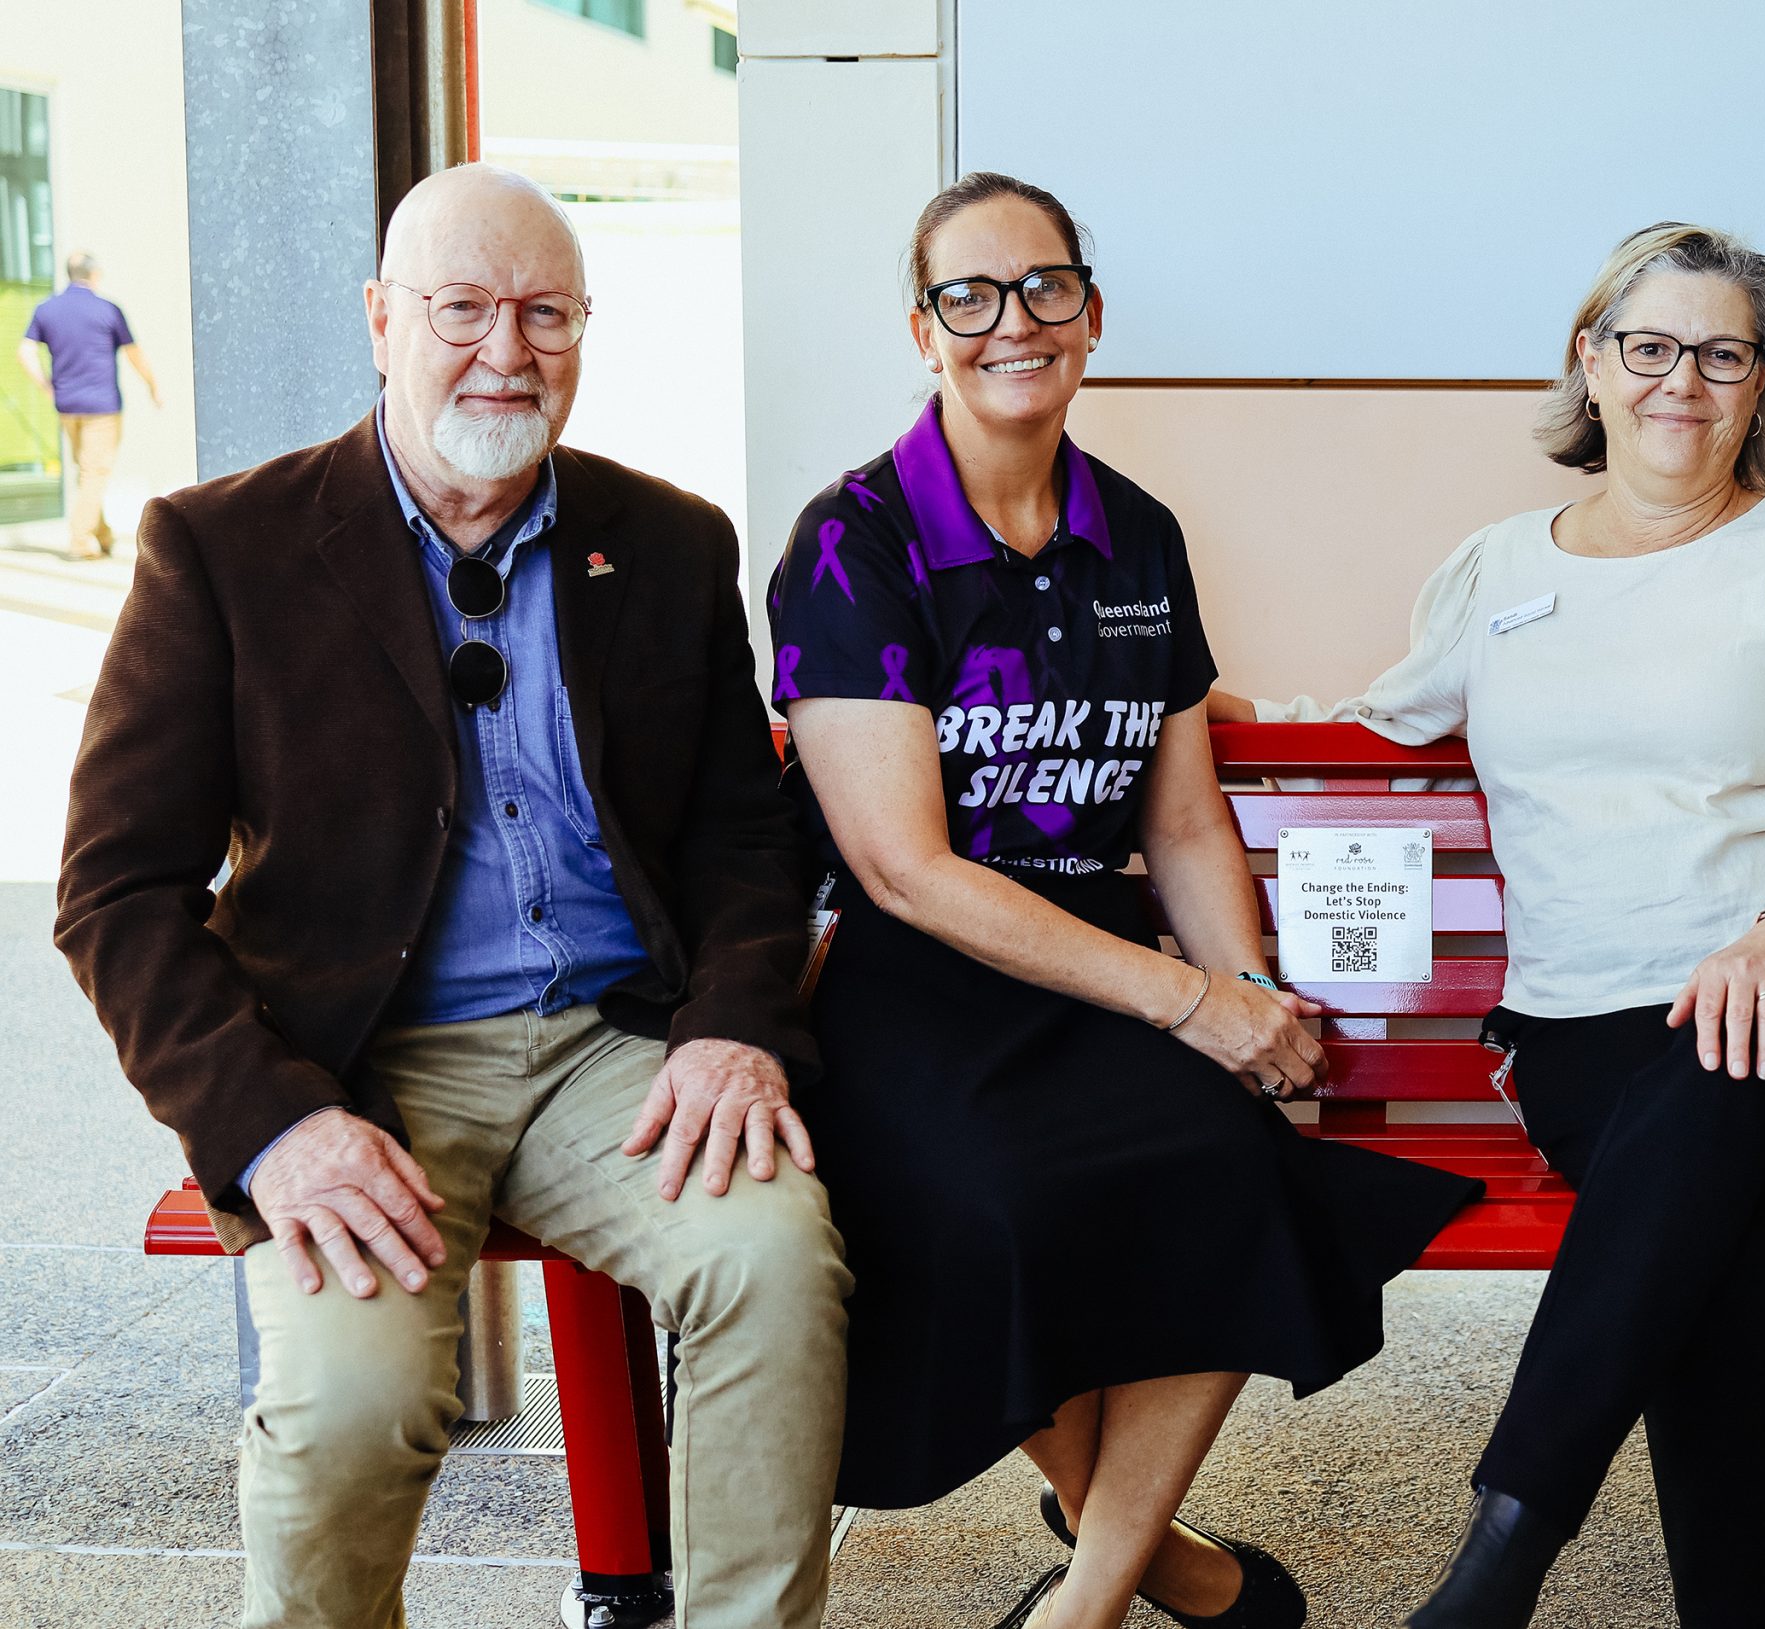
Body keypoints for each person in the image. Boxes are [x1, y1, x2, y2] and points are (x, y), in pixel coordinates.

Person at [54, 165, 852, 1629]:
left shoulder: (666, 542)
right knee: (353, 1405)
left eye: (546, 313)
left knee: (775, 1272)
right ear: (378, 320)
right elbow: (115, 892)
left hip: (624, 1050)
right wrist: (275, 1125)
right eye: (463, 308)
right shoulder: (220, 550)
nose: (507, 349)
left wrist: (733, 1025)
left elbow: (748, 834)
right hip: (356, 1070)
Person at [1216, 223, 1765, 1629]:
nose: (1681, 382)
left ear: (1763, 384)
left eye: (1723, 353)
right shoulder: (1497, 568)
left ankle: (1496, 1565)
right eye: (1650, 346)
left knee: (1717, 1087)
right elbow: (1380, 718)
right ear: (1590, 363)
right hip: (1588, 1026)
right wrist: (1202, 725)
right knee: (1715, 1236)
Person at [768, 169, 1481, 1629]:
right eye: (969, 295)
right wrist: (1191, 1000)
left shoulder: (1136, 535)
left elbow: (1182, 815)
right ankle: (1164, 1565)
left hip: (1096, 964)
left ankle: (1083, 1598)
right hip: (914, 983)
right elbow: (904, 868)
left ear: (1091, 317)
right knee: (999, 1208)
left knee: (1236, 1165)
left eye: (1043, 288)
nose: (1009, 322)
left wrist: (1257, 1010)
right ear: (923, 331)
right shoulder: (855, 541)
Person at [19, 251, 162, 559]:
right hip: (102, 406)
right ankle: (80, 540)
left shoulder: (47, 309)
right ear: (94, 275)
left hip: (67, 405)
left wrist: (46, 387)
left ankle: (103, 534)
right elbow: (134, 354)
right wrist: (153, 385)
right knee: (95, 472)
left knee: (87, 472)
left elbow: (25, 352)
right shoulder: (107, 310)